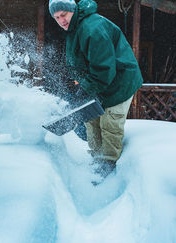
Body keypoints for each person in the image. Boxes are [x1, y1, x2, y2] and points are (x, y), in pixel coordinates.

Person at [49, 0, 143, 178]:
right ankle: (96, 161)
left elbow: (104, 69)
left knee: (109, 123)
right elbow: (82, 63)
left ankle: (108, 167)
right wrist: (81, 88)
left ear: (73, 11)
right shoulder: (75, 28)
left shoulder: (92, 28)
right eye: (56, 17)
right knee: (91, 121)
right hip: (100, 83)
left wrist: (85, 90)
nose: (61, 20)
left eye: (63, 15)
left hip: (119, 83)